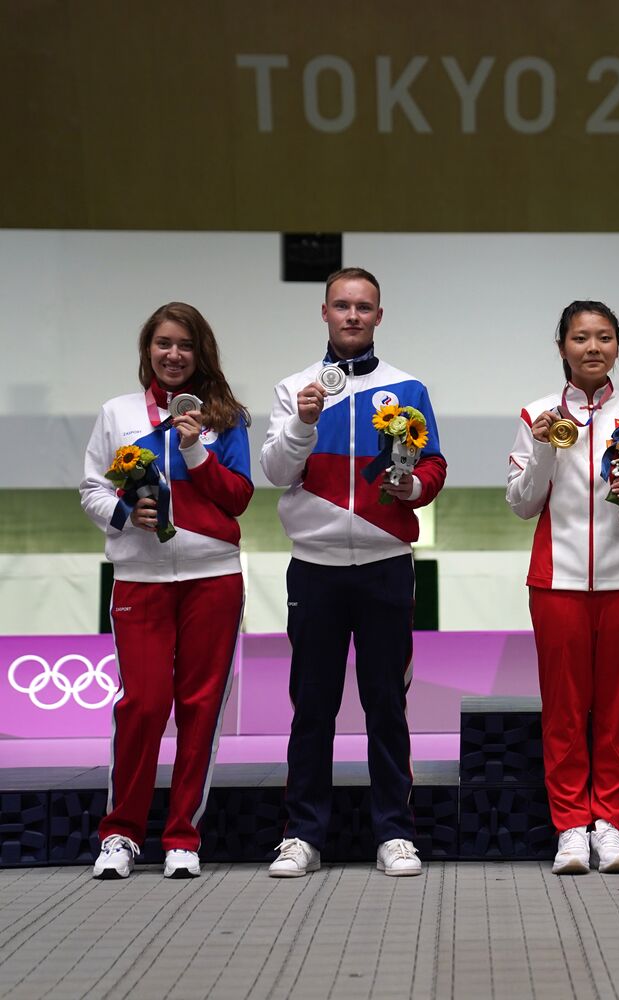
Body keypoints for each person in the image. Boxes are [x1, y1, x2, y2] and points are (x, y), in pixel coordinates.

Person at [260, 267, 446, 878]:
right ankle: (302, 835)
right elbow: (278, 473)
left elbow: (434, 468)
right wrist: (302, 423)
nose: (352, 316)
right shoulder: (294, 389)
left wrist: (411, 485)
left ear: (379, 317)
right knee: (312, 706)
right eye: (342, 305)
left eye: (364, 307)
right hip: (314, 569)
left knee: (386, 705)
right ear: (324, 312)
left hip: (385, 566)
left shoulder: (408, 388)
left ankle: (394, 833)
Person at [79, 302, 254, 879]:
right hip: (140, 580)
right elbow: (92, 491)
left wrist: (194, 449)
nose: (173, 355)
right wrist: (128, 514)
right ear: (147, 351)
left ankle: (182, 835)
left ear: (200, 352)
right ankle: (121, 834)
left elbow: (238, 498)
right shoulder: (118, 413)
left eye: (184, 345)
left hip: (213, 578)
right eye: (162, 344)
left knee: (200, 709)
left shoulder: (225, 418)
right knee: (144, 704)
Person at [506, 301, 619, 875]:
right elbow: (524, 504)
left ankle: (611, 827)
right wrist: (549, 447)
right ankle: (571, 828)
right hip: (558, 582)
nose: (593, 347)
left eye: (604, 337)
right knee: (565, 712)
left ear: (618, 347)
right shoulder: (535, 414)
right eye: (581, 338)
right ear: (562, 348)